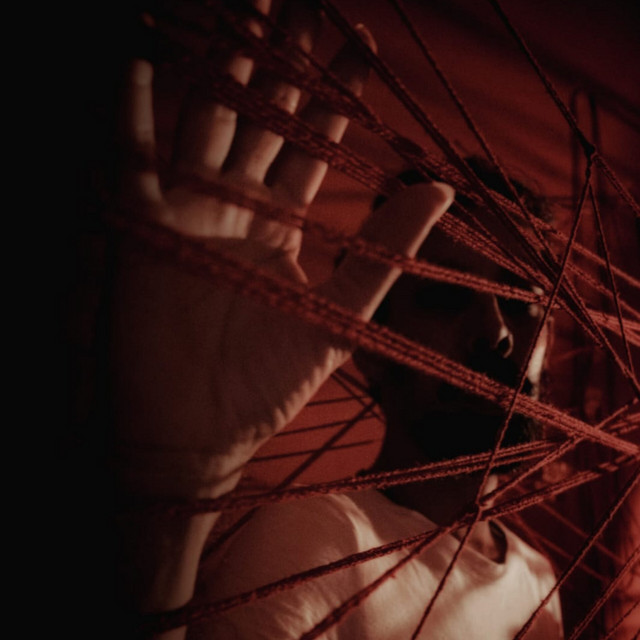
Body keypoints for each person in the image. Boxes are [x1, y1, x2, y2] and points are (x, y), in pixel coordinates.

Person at [111, 2, 563, 637]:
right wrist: (174, 485)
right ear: (371, 345)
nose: (497, 332)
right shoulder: (312, 542)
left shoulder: (541, 583)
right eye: (444, 296)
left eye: (522, 299)